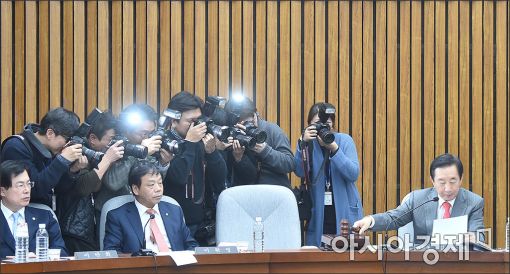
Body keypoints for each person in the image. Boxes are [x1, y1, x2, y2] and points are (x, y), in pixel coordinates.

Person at [353, 153, 485, 244]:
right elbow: (394, 218)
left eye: (453, 181)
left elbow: (480, 235)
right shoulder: (418, 199)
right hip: (424, 263)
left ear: (461, 179)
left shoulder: (474, 202)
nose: (448, 188)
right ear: (432, 181)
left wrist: (473, 238)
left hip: (460, 264)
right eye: (442, 182)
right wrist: (370, 220)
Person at [294, 103, 362, 247]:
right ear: (309, 126)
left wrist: (334, 149)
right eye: (318, 124)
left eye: (327, 123)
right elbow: (299, 171)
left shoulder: (345, 141)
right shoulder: (308, 144)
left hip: (344, 212)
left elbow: (353, 174)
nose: (323, 128)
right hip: (318, 213)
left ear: (333, 123)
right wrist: (302, 144)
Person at [57, 112, 124, 253]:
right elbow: (84, 188)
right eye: (110, 140)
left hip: (87, 226)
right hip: (74, 228)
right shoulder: (77, 151)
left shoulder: (97, 156)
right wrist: (107, 159)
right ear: (93, 138)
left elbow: (98, 185)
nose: (111, 145)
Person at [164, 91, 227, 240]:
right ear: (173, 120)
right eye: (190, 121)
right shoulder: (164, 142)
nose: (196, 126)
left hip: (202, 222)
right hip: (173, 221)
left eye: (198, 120)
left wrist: (212, 153)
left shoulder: (200, 141)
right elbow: (178, 177)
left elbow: (220, 180)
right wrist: (190, 142)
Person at [93, 104, 171, 221]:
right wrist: (141, 153)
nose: (147, 138)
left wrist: (163, 163)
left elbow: (154, 182)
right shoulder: (112, 144)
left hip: (141, 211)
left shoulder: (147, 145)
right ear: (126, 130)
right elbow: (113, 183)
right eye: (143, 133)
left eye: (151, 133)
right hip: (113, 214)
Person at [103, 160, 198, 253]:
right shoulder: (118, 217)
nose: (158, 189)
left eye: (160, 183)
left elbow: (192, 245)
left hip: (175, 266)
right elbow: (112, 253)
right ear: (135, 189)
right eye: (151, 185)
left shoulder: (174, 210)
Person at [1, 107, 83, 209]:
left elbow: (57, 189)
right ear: (50, 133)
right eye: (67, 140)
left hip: (44, 214)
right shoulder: (16, 147)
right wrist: (61, 161)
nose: (67, 145)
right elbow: (32, 190)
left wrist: (72, 170)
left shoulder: (50, 150)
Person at [219, 94, 295, 187]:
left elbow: (289, 164)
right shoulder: (231, 135)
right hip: (246, 195)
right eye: (239, 125)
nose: (243, 128)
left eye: (247, 123)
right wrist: (239, 158)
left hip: (275, 194)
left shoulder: (272, 129)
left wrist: (265, 150)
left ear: (255, 115)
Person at [0, 160, 68, 258]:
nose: (27, 190)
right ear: (2, 191)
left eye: (28, 184)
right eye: (20, 185)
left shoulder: (45, 217)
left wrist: (37, 256)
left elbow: (62, 252)